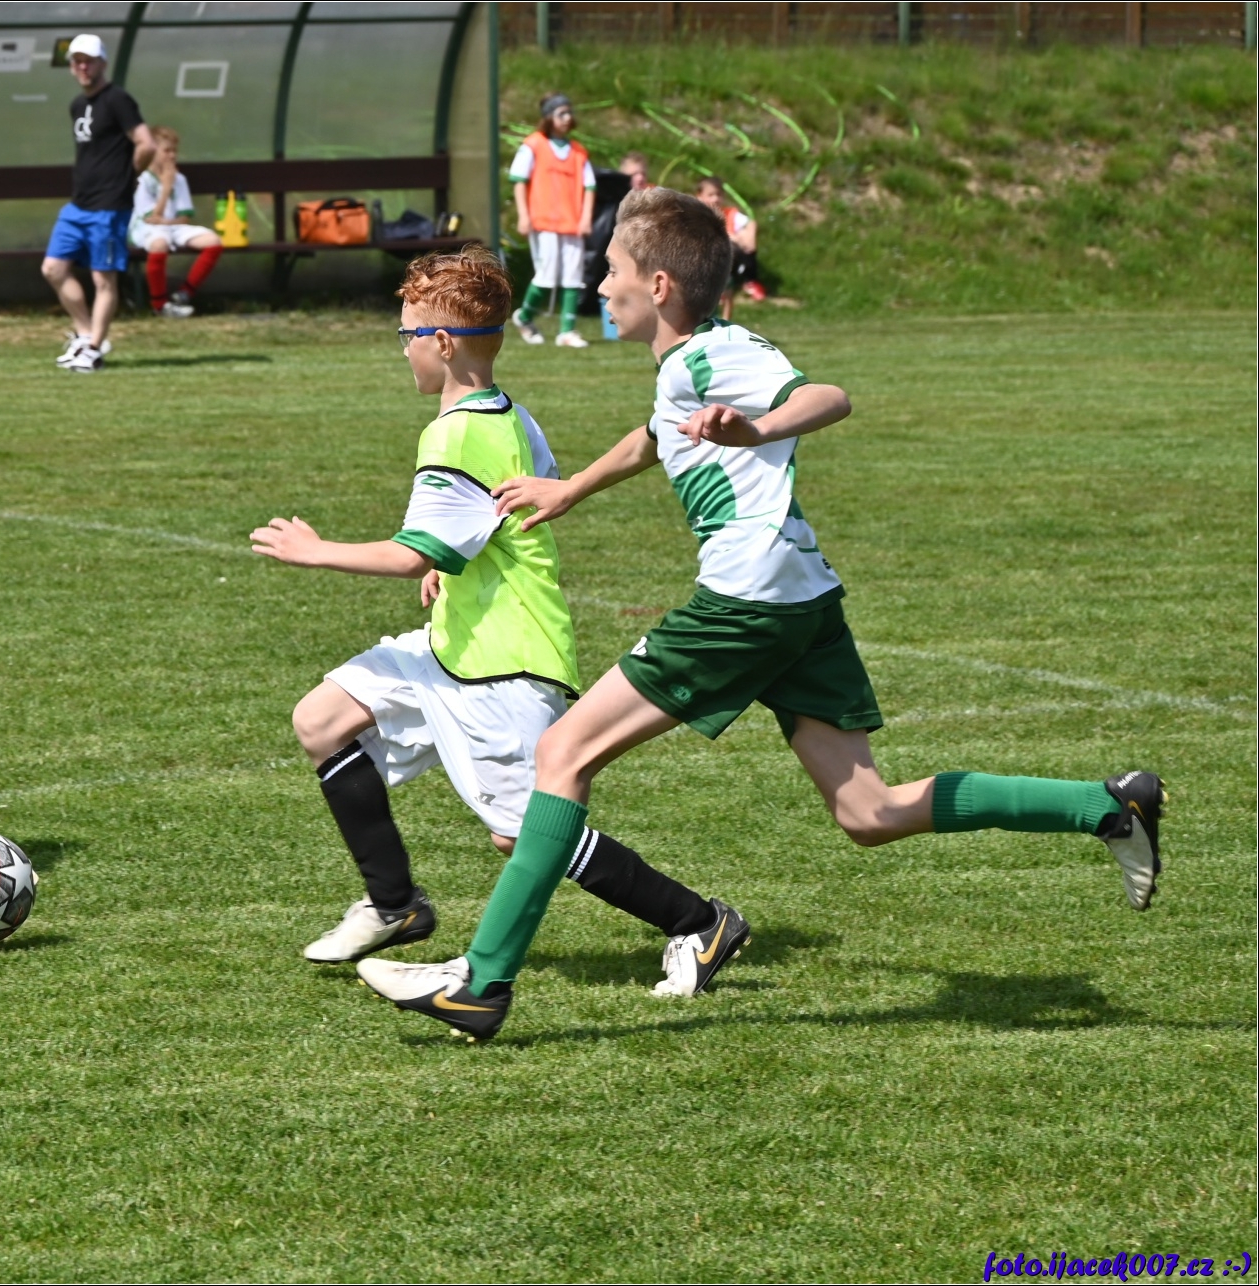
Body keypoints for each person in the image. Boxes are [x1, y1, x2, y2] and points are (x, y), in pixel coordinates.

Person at [356, 188, 1166, 1041]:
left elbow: (829, 397)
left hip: (747, 599)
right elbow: (655, 434)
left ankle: (482, 984)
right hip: (799, 598)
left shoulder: (720, 351)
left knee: (562, 755)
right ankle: (1106, 807)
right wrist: (573, 488)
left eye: (612, 269)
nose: (599, 286)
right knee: (869, 812)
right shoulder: (683, 366)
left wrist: (760, 428)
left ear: (658, 286)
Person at [251, 245, 727, 978]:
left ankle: (698, 921)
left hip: (502, 660)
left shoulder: (455, 431)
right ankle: (394, 904)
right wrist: (452, 566)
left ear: (442, 344)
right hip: (455, 641)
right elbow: (510, 516)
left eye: (407, 335)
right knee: (322, 718)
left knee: (526, 835)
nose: (403, 350)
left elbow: (410, 554)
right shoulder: (511, 415)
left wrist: (315, 551)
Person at [43, 32, 155, 372]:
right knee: (53, 268)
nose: (82, 67)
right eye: (77, 61)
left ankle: (93, 350)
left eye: (89, 61)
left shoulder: (118, 100)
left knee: (103, 278)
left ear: (102, 63)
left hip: (109, 206)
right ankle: (86, 335)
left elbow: (146, 143)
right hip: (79, 204)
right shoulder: (78, 105)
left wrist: (128, 176)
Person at [510, 94, 597, 349]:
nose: (567, 118)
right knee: (546, 276)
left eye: (569, 113)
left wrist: (585, 218)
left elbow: (589, 186)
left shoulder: (578, 151)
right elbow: (519, 181)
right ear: (549, 117)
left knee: (573, 277)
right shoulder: (533, 145)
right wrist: (524, 216)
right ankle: (525, 317)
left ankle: (567, 331)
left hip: (572, 223)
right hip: (543, 222)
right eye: (561, 113)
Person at [130, 126, 221, 319]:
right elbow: (152, 218)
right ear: (153, 152)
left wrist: (168, 220)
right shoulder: (144, 181)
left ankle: (184, 294)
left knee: (213, 241)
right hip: (147, 228)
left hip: (173, 226)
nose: (172, 156)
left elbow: (184, 217)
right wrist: (165, 188)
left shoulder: (179, 179)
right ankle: (159, 305)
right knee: (160, 243)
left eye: (174, 151)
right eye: (166, 151)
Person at [695, 176, 764, 318]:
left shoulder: (729, 213)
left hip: (725, 259)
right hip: (703, 261)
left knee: (727, 287)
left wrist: (749, 238)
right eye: (710, 195)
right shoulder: (696, 215)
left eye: (719, 195)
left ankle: (747, 282)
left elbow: (751, 223)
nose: (715, 199)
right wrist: (731, 236)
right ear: (699, 196)